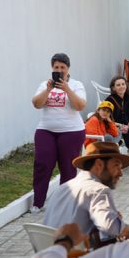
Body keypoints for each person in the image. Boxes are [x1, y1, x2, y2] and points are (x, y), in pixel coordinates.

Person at [42, 142, 129, 242]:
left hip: (50, 253)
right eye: (116, 166)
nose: (120, 174)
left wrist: (113, 218)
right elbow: (109, 225)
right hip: (76, 255)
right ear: (99, 164)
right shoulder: (98, 190)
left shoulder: (62, 189)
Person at [30, 53, 87, 214]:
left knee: (68, 168)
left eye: (63, 67)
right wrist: (48, 90)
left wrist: (67, 89)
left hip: (72, 132)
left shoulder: (76, 85)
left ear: (68, 69)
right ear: (52, 68)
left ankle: (66, 203)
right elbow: (36, 104)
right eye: (56, 67)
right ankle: (38, 202)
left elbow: (80, 106)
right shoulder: (45, 84)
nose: (59, 70)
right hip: (46, 130)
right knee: (42, 164)